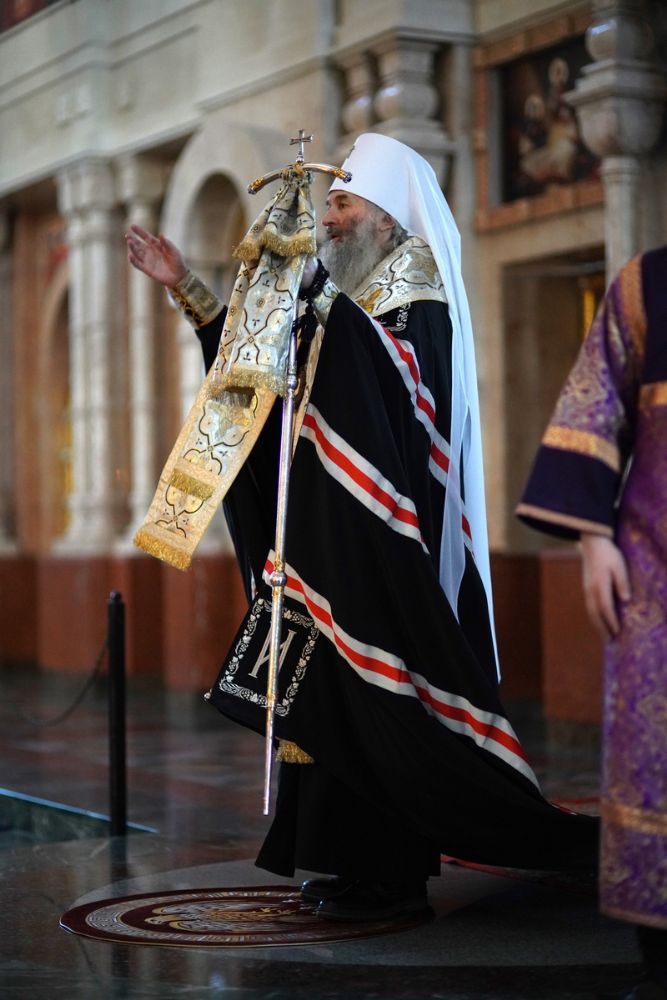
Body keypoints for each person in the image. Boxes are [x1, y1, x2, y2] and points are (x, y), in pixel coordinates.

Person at [127, 133, 597, 923]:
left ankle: (390, 876)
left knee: (379, 695)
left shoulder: (416, 292)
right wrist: (193, 292)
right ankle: (348, 866)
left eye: (341, 204)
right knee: (329, 701)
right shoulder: (350, 297)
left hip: (384, 538)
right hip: (328, 537)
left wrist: (318, 296)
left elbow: (400, 390)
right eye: (329, 205)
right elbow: (269, 366)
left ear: (385, 214)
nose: (327, 219)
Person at [517, 246, 667, 998]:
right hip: (655, 570)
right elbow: (594, 400)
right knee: (654, 755)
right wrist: (592, 537)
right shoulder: (649, 283)